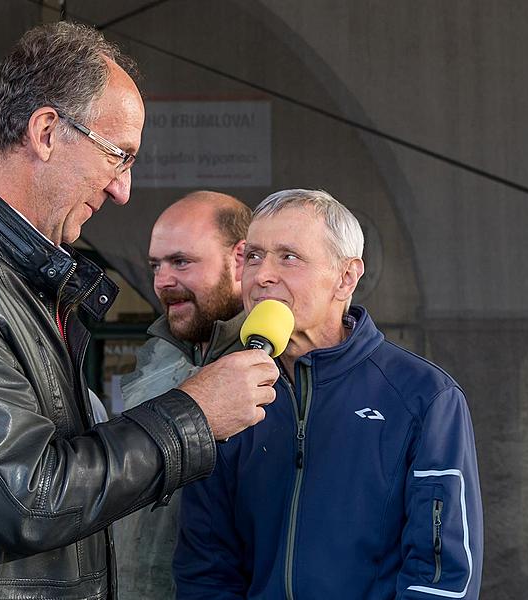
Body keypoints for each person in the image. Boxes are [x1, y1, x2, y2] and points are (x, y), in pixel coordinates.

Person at [0, 22, 277, 600]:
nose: (123, 191)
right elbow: (26, 498)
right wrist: (194, 412)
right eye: (119, 156)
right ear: (45, 131)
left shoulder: (15, 275)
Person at [174, 189, 484, 599]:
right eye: (253, 256)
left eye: (288, 257)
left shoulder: (424, 396)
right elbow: (205, 567)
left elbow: (442, 572)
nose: (262, 274)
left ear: (346, 277)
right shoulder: (226, 393)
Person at [114, 191, 251, 599]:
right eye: (156, 264)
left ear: (240, 258)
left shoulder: (277, 365)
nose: (162, 282)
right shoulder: (157, 355)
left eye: (181, 262)